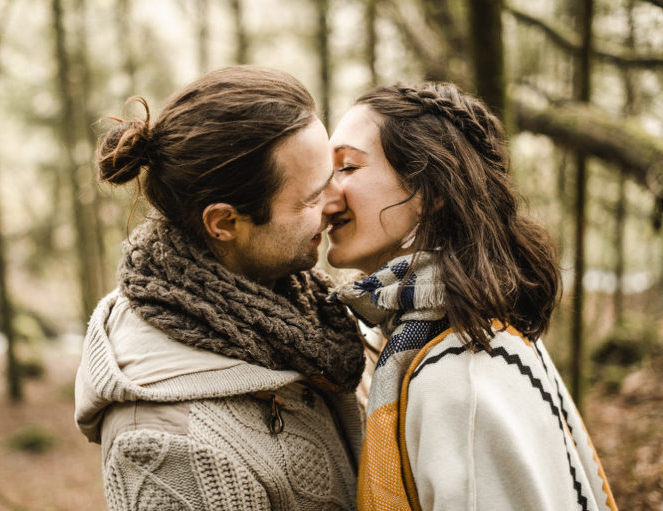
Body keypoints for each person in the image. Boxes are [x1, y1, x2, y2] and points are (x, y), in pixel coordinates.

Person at [74, 66, 365, 510]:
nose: (336, 201)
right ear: (225, 222)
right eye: (310, 197)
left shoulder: (305, 315)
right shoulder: (166, 448)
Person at [326, 82, 617, 510]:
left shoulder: (462, 377)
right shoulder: (451, 335)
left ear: (431, 192)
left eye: (347, 168)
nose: (326, 196)